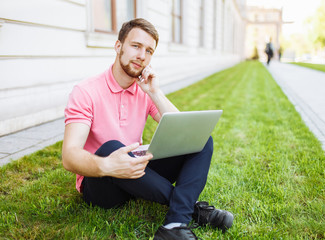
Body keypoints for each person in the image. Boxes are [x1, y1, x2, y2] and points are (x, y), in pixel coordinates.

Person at [62, 18, 233, 240]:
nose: (142, 55)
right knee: (111, 148)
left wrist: (155, 92)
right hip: (101, 181)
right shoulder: (85, 92)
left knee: (201, 140)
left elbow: (185, 131)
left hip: (136, 172)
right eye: (136, 46)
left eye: (149, 51)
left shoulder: (144, 90)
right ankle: (194, 210)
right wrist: (107, 164)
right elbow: (69, 156)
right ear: (118, 46)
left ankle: (175, 223)